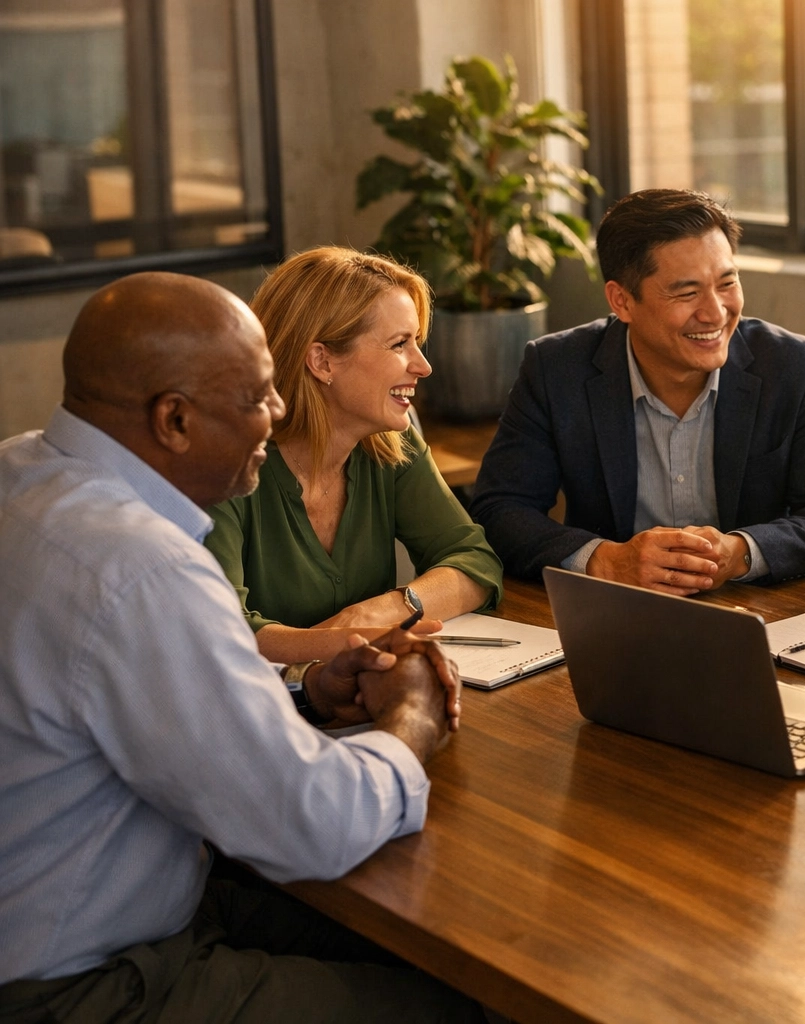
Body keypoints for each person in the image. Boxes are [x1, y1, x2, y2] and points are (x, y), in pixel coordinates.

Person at [0, 273, 478, 1020]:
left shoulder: (21, 474)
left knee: (434, 956)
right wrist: (412, 720)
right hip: (78, 983)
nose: (280, 412)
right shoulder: (145, 567)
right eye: (258, 397)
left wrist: (307, 691)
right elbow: (310, 825)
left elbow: (145, 706)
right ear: (175, 420)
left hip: (138, 908)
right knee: (459, 1006)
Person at [470, 188, 805, 593]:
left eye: (727, 283)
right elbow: (499, 510)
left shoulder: (795, 367)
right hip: (617, 612)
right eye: (687, 292)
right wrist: (607, 560)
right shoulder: (557, 368)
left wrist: (741, 552)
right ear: (622, 301)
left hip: (760, 611)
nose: (715, 312)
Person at [205, 247, 504, 665]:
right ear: (322, 361)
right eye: (399, 344)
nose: (423, 366)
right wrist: (351, 641)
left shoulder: (391, 447)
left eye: (416, 341)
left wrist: (376, 612)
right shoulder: (224, 467)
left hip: (363, 695)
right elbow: (221, 631)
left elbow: (476, 562)